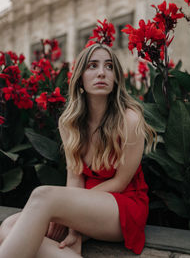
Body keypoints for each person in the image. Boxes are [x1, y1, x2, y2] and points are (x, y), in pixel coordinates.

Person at [0, 43, 155, 258]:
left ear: (116, 78)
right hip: (85, 205)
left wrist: (66, 215)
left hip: (122, 206)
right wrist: (70, 218)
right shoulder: (69, 123)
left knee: (43, 196)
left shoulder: (129, 119)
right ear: (80, 78)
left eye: (109, 66)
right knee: (7, 226)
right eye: (93, 66)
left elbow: (120, 182)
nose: (102, 72)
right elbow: (74, 179)